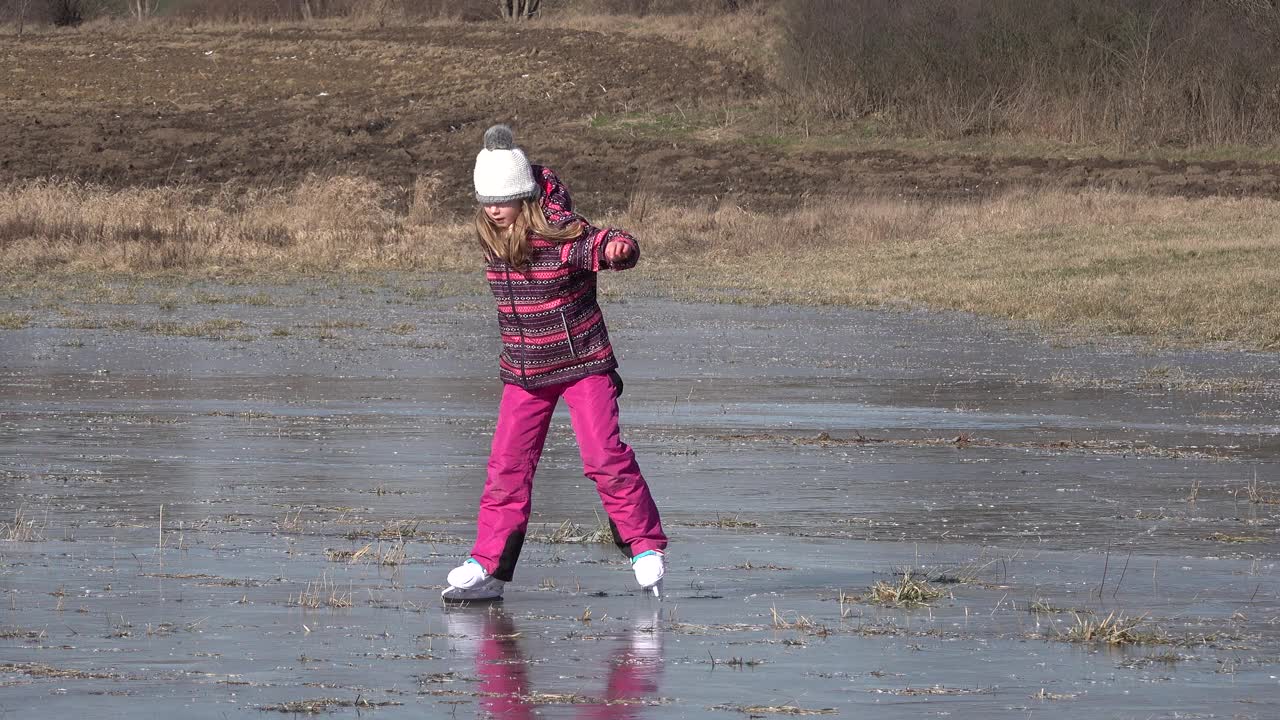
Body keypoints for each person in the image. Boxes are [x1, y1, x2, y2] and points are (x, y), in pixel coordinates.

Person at [441, 124, 667, 602]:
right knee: (507, 466)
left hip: (583, 363)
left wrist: (618, 249)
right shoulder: (493, 235)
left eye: (503, 199)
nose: (493, 209)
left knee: (603, 456)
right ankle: (488, 568)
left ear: (524, 197)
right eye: (486, 200)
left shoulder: (562, 235)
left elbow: (603, 242)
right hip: (525, 371)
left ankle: (644, 545)